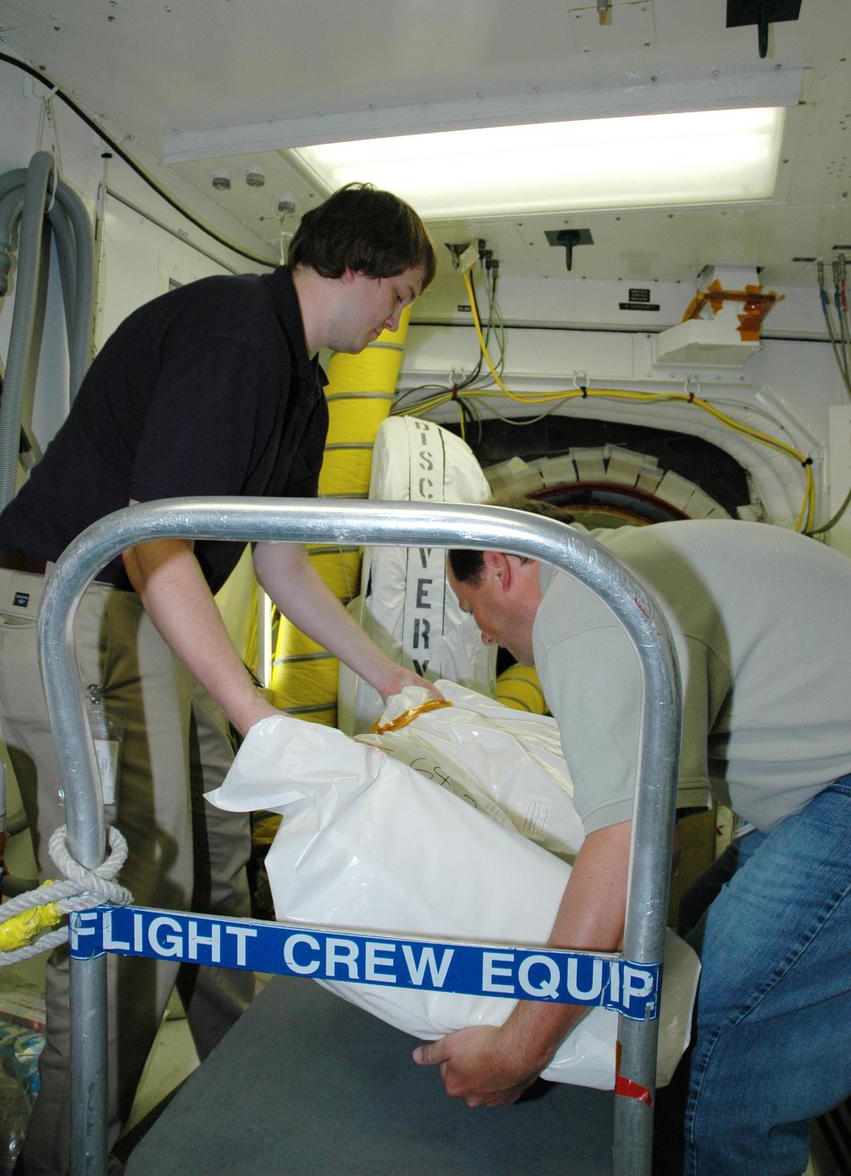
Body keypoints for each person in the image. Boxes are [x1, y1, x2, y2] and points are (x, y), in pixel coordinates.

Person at [0, 182, 437, 1173]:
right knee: (127, 885)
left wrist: (397, 677)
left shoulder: (302, 388)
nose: (394, 319)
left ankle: (240, 1066)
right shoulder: (236, 336)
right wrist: (251, 704)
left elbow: (280, 565)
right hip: (53, 605)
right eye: (399, 295)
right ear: (357, 266)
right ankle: (69, 1157)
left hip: (131, 607)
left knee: (220, 827)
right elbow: (153, 545)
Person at [413, 513, 851, 1176]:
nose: (480, 631)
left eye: (470, 607)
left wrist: (515, 1052)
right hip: (822, 791)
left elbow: (632, 855)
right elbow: (652, 844)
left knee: (710, 1034)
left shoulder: (584, 606)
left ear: (501, 567)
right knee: (685, 960)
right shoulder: (619, 569)